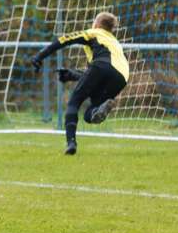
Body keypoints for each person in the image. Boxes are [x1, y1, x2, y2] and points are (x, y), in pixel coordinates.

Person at [30, 12, 129, 155]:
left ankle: (71, 143)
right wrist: (72, 75)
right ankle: (98, 111)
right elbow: (98, 73)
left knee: (74, 102)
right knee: (89, 114)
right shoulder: (114, 43)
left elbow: (65, 40)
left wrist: (40, 56)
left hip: (102, 66)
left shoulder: (93, 33)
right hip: (121, 77)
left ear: (97, 24)